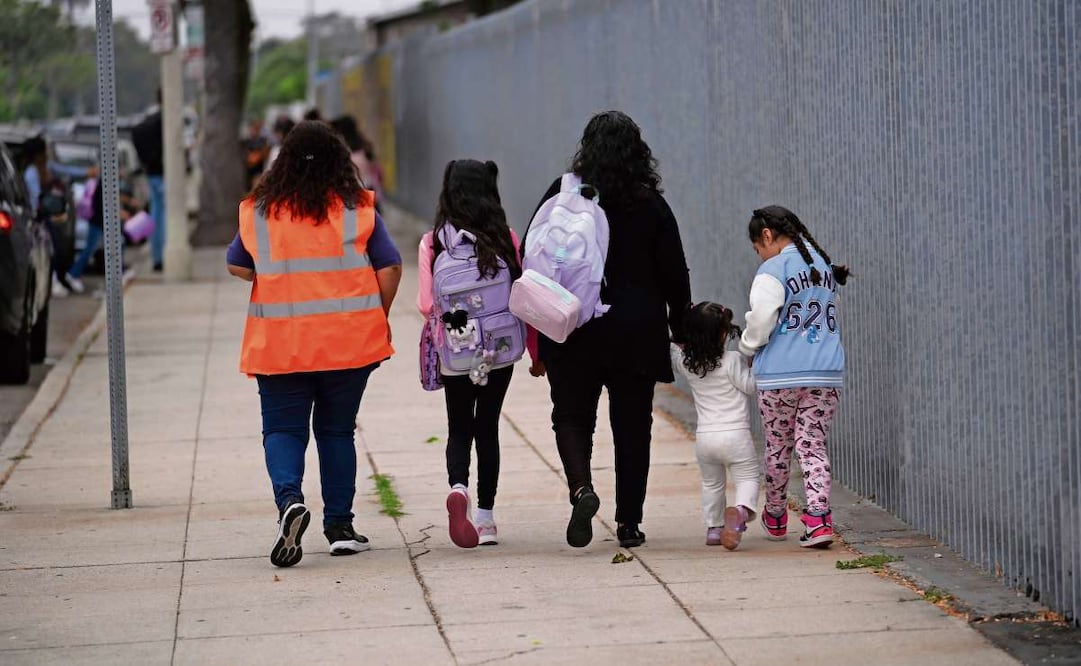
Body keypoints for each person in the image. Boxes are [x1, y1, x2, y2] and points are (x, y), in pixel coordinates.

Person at [225, 120, 403, 567]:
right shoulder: (355, 209)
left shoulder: (260, 211)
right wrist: (375, 316)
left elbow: (238, 266)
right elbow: (390, 267)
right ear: (339, 162)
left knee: (283, 431)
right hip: (347, 346)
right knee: (336, 432)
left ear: (283, 160)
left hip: (281, 347)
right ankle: (340, 527)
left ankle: (289, 503)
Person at [527, 111, 691, 549]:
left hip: (575, 323)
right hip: (635, 330)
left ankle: (582, 489)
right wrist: (681, 324)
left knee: (571, 417)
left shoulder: (565, 195)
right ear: (638, 151)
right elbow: (674, 271)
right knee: (633, 427)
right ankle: (629, 523)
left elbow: (536, 256)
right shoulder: (649, 202)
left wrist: (538, 334)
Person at [416, 160, 527, 549]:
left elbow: (426, 303)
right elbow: (522, 295)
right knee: (488, 426)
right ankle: (485, 518)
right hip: (498, 351)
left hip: (456, 352)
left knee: (459, 425)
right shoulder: (505, 238)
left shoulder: (433, 243)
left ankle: (458, 487)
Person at [739, 205, 850, 549]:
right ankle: (818, 518)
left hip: (780, 376)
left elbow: (761, 321)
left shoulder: (773, 269)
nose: (760, 254)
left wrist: (746, 348)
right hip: (825, 372)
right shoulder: (823, 265)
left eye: (758, 247)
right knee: (811, 443)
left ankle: (775, 515)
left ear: (768, 236)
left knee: (779, 446)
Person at [671, 303, 758, 550]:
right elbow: (751, 386)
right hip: (736, 435)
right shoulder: (732, 360)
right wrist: (755, 363)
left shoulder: (688, 364)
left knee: (712, 484)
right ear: (723, 334)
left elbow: (673, 352)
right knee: (747, 478)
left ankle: (714, 527)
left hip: (706, 439)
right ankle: (741, 511)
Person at [132, 93, 165, 272]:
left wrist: (145, 160)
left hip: (150, 173)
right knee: (164, 216)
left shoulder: (146, 121)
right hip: (162, 174)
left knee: (154, 214)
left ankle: (156, 256)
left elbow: (136, 132)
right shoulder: (163, 120)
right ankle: (162, 256)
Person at [330, 115, 383, 210]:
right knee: (373, 223)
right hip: (369, 192)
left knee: (351, 224)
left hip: (351, 195)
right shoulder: (365, 147)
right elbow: (377, 171)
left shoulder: (340, 150)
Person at [243, 118, 271, 189]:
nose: (251, 131)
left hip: (258, 170)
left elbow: (264, 155)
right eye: (250, 129)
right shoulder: (247, 141)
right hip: (249, 171)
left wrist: (256, 156)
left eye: (254, 129)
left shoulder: (262, 141)